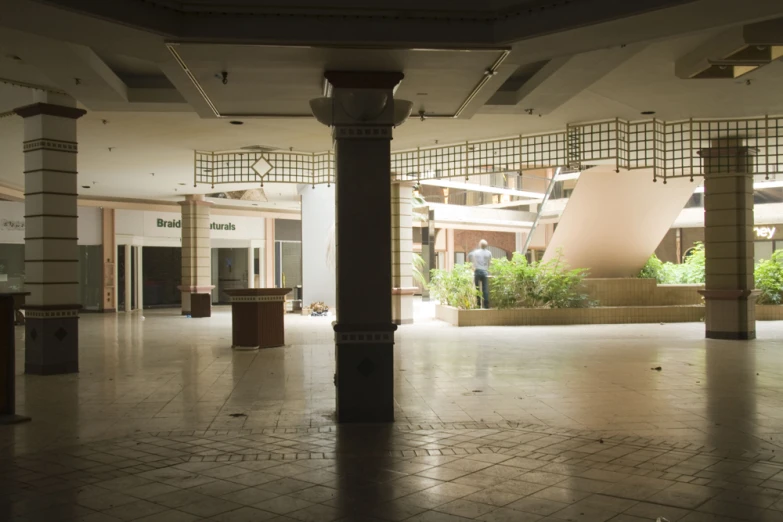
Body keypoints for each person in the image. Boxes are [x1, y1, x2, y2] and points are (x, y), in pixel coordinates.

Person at [468, 240, 492, 308]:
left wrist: (473, 268)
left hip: (477, 271)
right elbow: (489, 263)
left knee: (477, 288)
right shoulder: (489, 253)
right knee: (485, 289)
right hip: (485, 271)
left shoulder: (475, 252)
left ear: (480, 245)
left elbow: (473, 261)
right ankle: (486, 305)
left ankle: (478, 304)